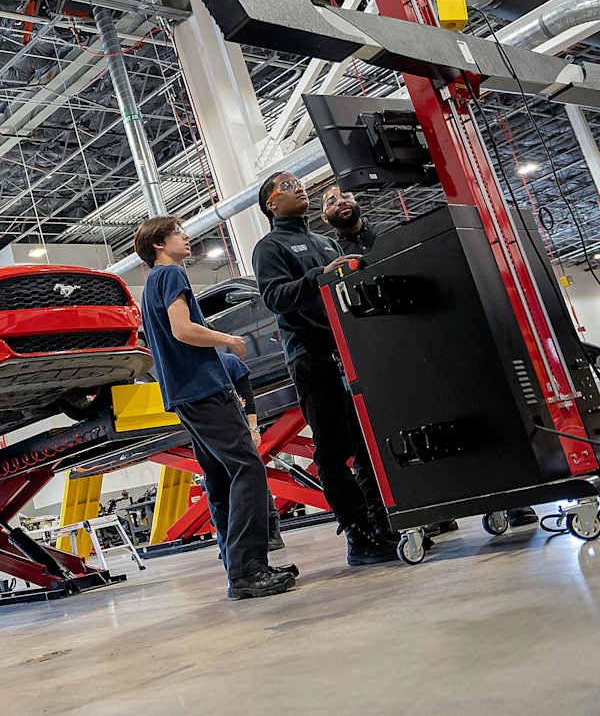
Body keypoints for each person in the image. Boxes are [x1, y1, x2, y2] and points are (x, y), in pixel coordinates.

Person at [320, 185, 538, 530]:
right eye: (331, 201)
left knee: (469, 411)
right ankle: (437, 509)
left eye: (345, 196)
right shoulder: (331, 256)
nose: (341, 202)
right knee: (413, 428)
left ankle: (512, 497)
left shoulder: (391, 235)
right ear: (324, 217)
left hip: (426, 336)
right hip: (382, 354)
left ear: (358, 202)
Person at [135, 215, 298, 600]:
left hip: (184, 393)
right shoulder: (170, 274)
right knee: (248, 468)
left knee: (221, 476)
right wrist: (229, 340)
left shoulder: (151, 283)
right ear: (159, 243)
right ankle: (248, 570)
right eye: (177, 232)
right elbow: (183, 329)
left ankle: (238, 565)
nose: (186, 237)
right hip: (204, 387)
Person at [253, 171, 397, 566]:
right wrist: (318, 276)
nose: (299, 187)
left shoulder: (325, 242)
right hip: (310, 356)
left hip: (346, 350)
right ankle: (357, 533)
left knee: (367, 443)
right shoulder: (270, 247)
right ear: (271, 204)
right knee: (333, 449)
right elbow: (275, 297)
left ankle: (382, 522)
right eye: (287, 185)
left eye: (300, 182)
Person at [218, 350, 285, 552]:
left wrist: (254, 429)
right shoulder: (197, 367)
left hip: (239, 430)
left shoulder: (229, 362)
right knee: (224, 486)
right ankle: (233, 541)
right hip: (216, 434)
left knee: (254, 479)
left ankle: (271, 533)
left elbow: (247, 397)